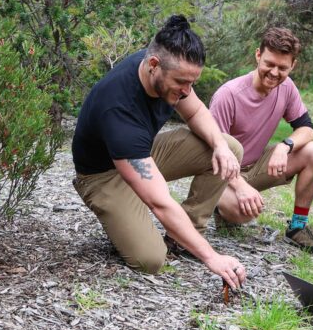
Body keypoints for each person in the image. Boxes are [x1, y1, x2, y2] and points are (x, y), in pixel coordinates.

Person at [72, 15, 246, 289]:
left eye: (192, 82)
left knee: (230, 148)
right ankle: (146, 218)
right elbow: (161, 203)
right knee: (150, 260)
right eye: (182, 83)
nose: (188, 91)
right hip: (103, 176)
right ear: (153, 65)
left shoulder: (165, 68)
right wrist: (212, 258)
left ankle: (184, 235)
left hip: (141, 153)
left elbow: (198, 111)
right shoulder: (118, 109)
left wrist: (221, 147)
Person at [209, 27, 313, 253]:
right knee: (242, 214)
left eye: (282, 68)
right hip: (220, 172)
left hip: (255, 165)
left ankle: (297, 227)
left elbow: (307, 129)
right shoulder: (229, 94)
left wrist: (285, 146)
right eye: (269, 64)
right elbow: (212, 152)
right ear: (258, 55)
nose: (274, 73)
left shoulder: (287, 87)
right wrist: (240, 187)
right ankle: (219, 206)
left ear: (293, 66)